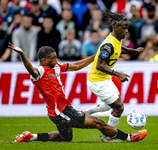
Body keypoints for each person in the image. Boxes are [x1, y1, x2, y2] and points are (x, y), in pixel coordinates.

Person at [9, 42, 147, 143]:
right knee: (98, 123)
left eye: (56, 57)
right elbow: (30, 69)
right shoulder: (39, 72)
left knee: (66, 139)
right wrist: (22, 55)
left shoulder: (56, 67)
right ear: (44, 60)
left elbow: (75, 66)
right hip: (60, 112)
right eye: (53, 58)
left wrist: (95, 55)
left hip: (61, 110)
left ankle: (30, 136)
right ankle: (129, 138)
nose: (56, 59)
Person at [84, 9, 144, 142]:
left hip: (103, 79)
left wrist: (133, 51)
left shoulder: (116, 40)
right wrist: (118, 74)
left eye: (127, 28)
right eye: (124, 28)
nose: (126, 31)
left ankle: (84, 114)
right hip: (97, 81)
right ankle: (108, 136)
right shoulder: (108, 45)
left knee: (111, 105)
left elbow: (120, 49)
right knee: (119, 107)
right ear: (116, 27)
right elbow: (100, 65)